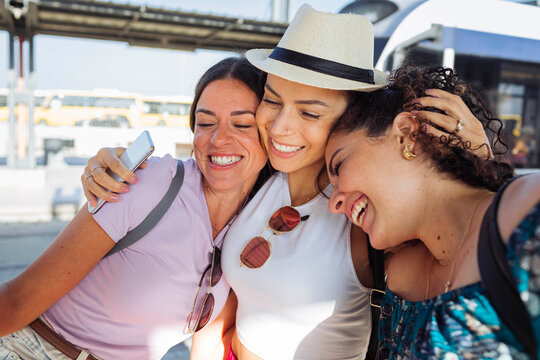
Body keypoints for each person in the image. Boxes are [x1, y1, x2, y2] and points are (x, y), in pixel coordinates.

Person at [81, 6, 492, 359]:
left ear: (350, 120)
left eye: (309, 114)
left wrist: (475, 161)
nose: (279, 126)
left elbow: (464, 254)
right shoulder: (259, 176)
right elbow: (224, 294)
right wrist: (109, 165)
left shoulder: (366, 218)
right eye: (273, 101)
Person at [0, 56, 268, 360]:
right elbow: (17, 301)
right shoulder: (151, 182)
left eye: (242, 123)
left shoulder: (254, 226)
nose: (219, 139)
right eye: (205, 123)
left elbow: (209, 344)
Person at [326, 65, 540, 359]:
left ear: (406, 133)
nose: (333, 203)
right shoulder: (398, 279)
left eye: (338, 166)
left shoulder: (526, 213)